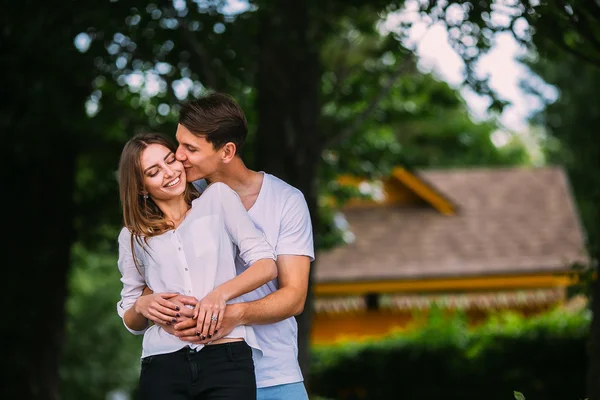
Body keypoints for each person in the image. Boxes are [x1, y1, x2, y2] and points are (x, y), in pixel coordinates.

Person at [140, 92, 315, 399]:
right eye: (178, 143)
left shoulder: (286, 201)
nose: (177, 156)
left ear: (227, 151)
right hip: (201, 375)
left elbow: (294, 297)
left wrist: (232, 313)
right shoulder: (177, 196)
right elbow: (149, 273)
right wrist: (149, 304)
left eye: (190, 148)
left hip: (274, 375)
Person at [116, 132, 279, 400]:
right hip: (162, 363)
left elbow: (266, 266)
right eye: (154, 172)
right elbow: (131, 319)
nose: (170, 173)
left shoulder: (217, 198)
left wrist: (219, 295)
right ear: (142, 187)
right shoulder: (133, 236)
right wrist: (141, 306)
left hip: (226, 357)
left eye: (171, 161)